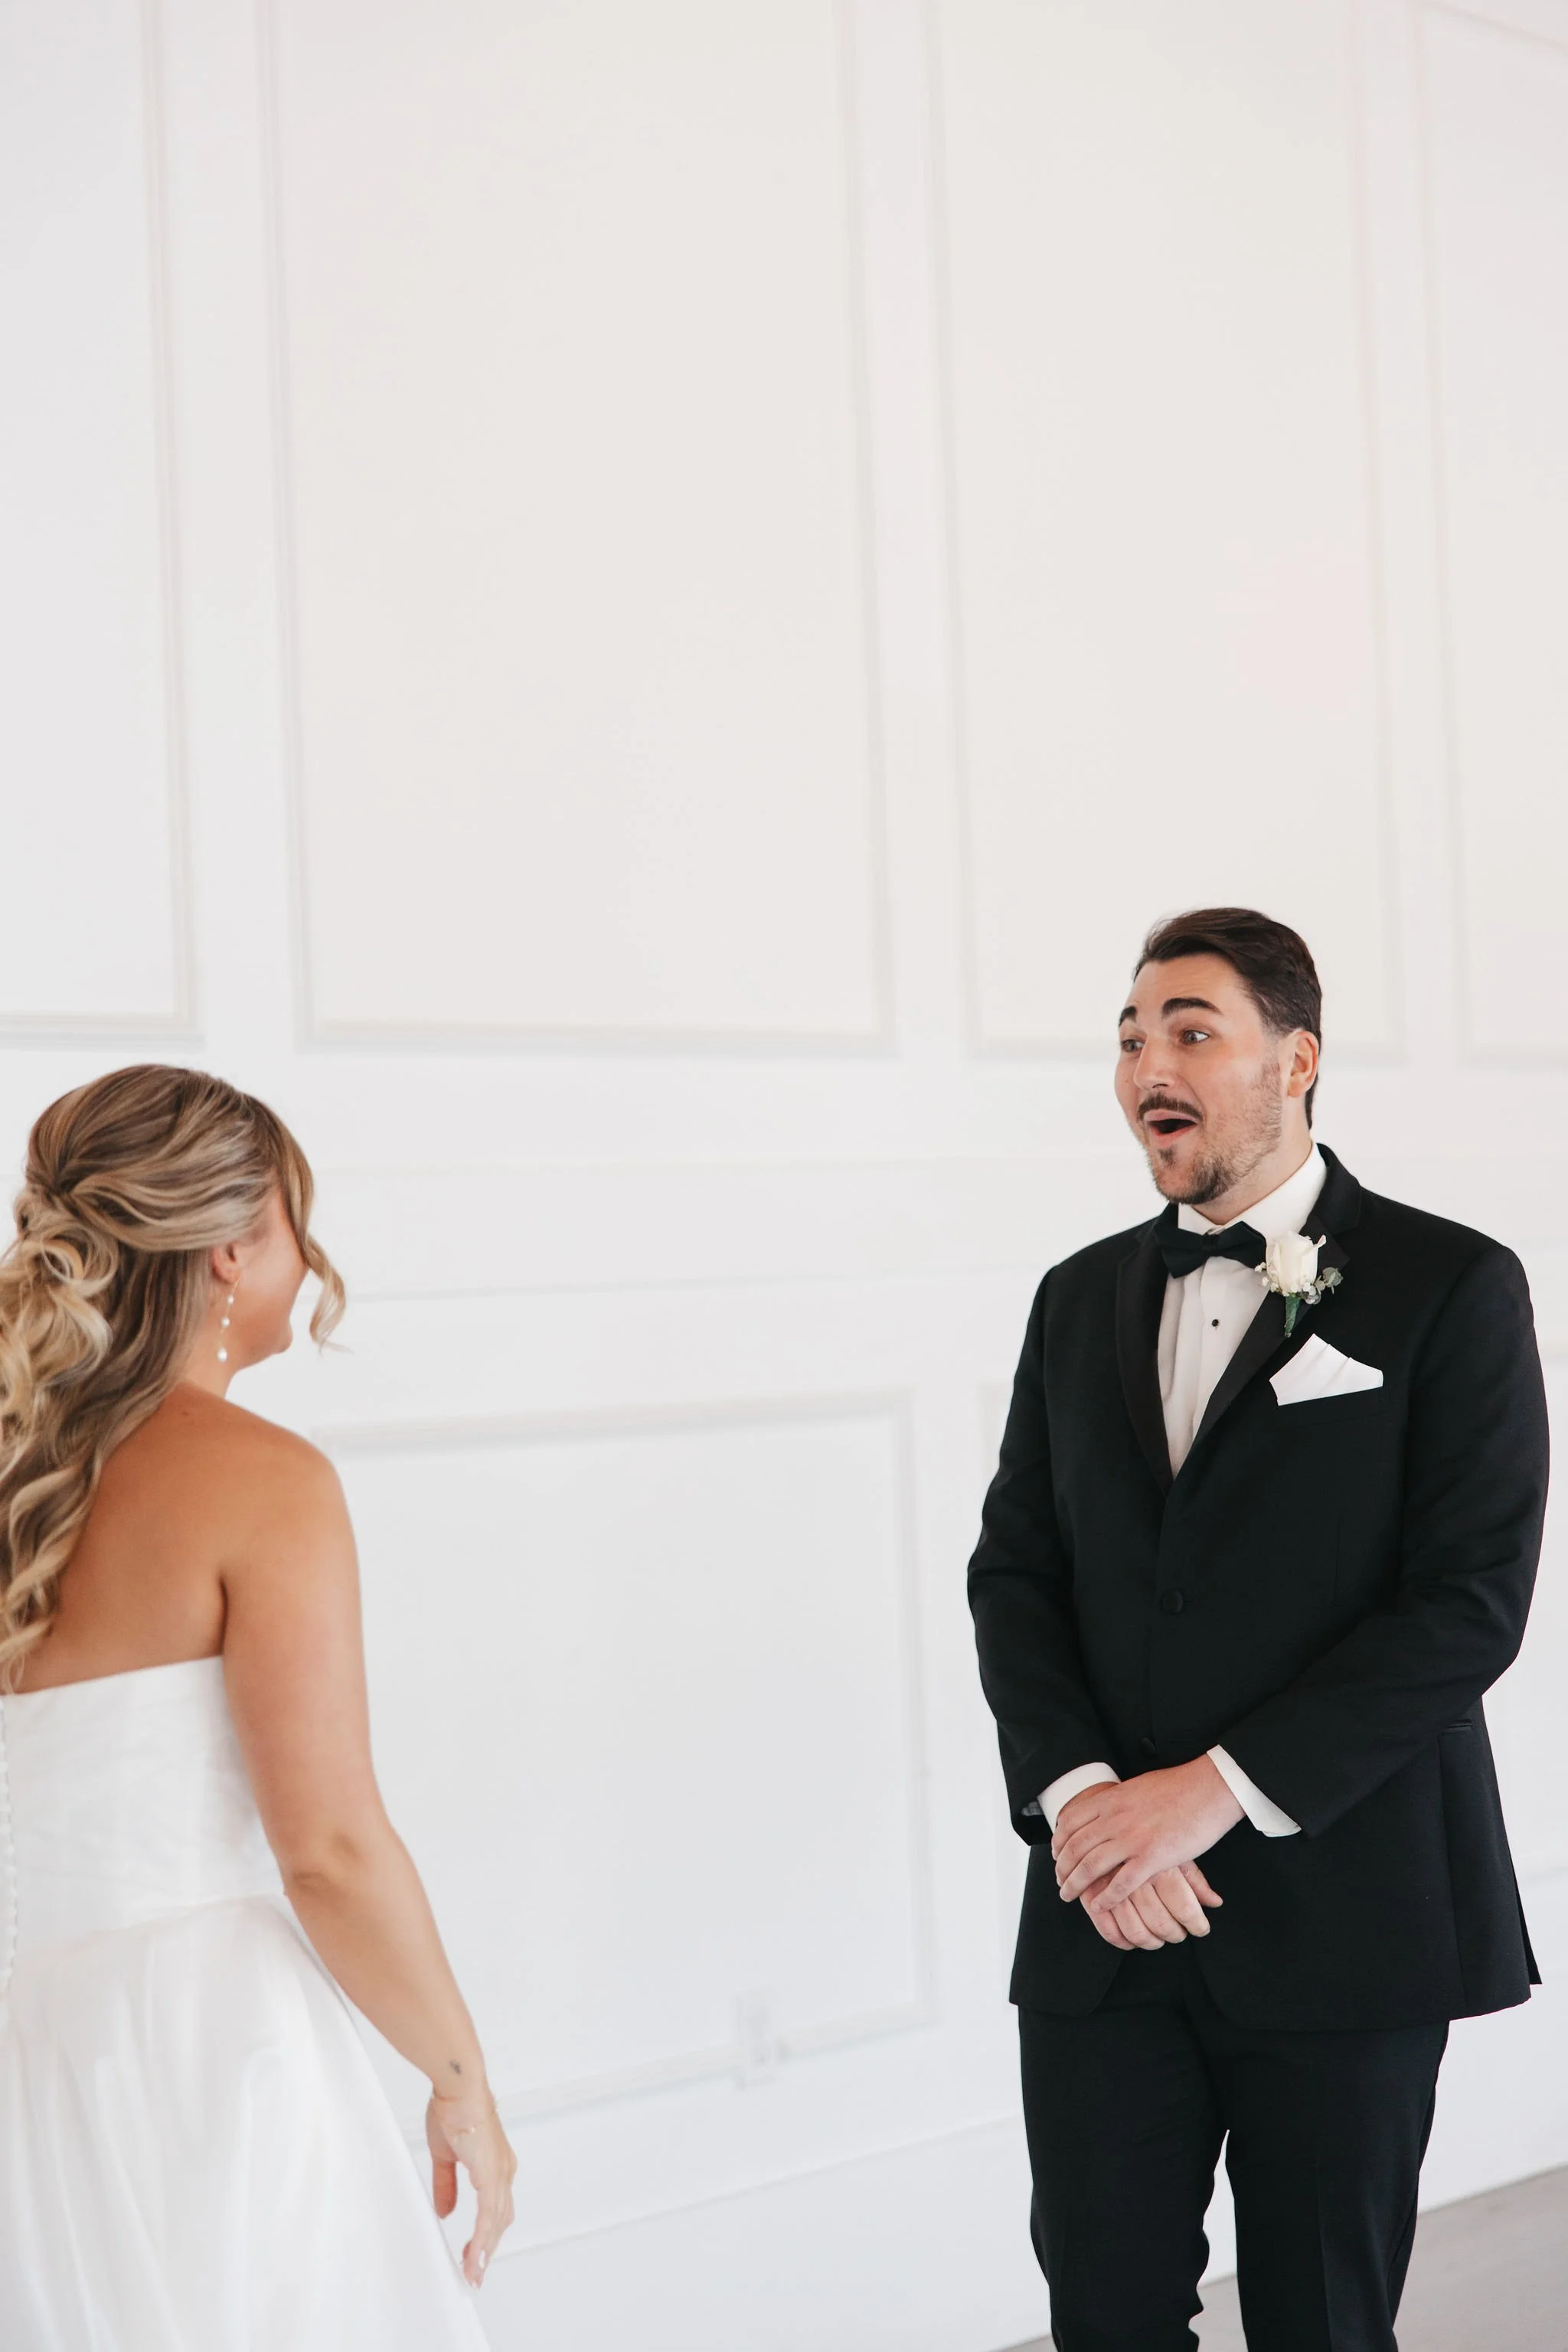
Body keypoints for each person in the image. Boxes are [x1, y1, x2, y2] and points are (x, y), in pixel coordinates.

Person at [969, 906, 1547, 2352]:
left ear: (1295, 1060)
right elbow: (1015, 1577)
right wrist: (1088, 1806)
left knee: (1324, 2326)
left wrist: (1207, 1798)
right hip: (1106, 1918)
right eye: (1127, 1036)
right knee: (1102, 2316)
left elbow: (1466, 1605)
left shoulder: (1451, 1286)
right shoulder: (1076, 1297)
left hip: (1344, 1917)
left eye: (1188, 1029)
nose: (1145, 1061)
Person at [0, 1064, 517, 2348]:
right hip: (196, 2060)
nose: (311, 1256)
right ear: (232, 1251)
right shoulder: (264, 1483)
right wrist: (461, 2082)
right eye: (293, 1221)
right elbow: (330, 1851)